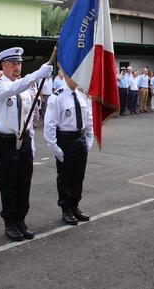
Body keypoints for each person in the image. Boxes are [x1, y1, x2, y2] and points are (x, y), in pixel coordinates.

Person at [0, 47, 53, 241]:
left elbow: (27, 116)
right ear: (3, 65)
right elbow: (14, 88)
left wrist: (30, 143)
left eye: (19, 63)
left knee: (24, 182)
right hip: (6, 143)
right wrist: (37, 75)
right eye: (13, 63)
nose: (17, 67)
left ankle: (21, 219)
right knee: (8, 184)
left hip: (24, 140)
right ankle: (9, 221)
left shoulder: (26, 89)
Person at [44, 76, 93, 226]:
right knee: (65, 176)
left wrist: (89, 138)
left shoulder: (82, 94)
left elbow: (88, 118)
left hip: (80, 139)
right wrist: (53, 146)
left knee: (78, 175)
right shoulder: (57, 97)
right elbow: (50, 124)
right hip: (66, 140)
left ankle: (75, 206)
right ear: (65, 77)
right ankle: (65, 209)